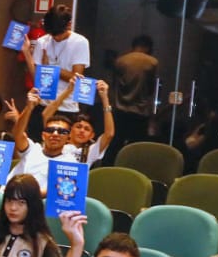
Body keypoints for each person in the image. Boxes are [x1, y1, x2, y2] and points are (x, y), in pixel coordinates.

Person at [25, 4, 90, 136]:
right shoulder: (43, 41)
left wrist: (50, 69)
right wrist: (27, 54)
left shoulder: (80, 42)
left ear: (69, 25)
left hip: (66, 107)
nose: (56, 38)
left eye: (59, 34)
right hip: (42, 104)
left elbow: (76, 78)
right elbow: (37, 79)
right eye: (52, 34)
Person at [8, 89, 78, 196]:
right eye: (50, 130)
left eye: (61, 131)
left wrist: (29, 195)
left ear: (68, 139)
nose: (55, 134)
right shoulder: (32, 149)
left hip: (37, 204)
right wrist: (29, 108)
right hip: (9, 196)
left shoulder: (71, 163)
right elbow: (18, 133)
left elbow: (59, 190)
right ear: (43, 135)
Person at [109, 35, 159, 163]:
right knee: (137, 148)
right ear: (148, 47)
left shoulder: (121, 61)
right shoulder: (152, 62)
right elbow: (151, 88)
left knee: (115, 145)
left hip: (120, 109)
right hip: (140, 111)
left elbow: (114, 85)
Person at [43, 79, 116, 165]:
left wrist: (104, 98)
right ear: (69, 131)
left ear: (91, 135)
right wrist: (68, 90)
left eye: (87, 129)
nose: (82, 131)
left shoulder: (91, 151)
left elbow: (109, 134)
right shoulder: (57, 142)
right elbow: (46, 115)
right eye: (78, 127)